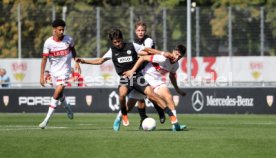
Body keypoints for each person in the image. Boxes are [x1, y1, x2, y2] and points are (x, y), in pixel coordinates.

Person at [77, 28, 183, 131]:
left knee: (151, 94)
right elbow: (100, 61)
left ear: (122, 39)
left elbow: (147, 50)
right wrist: (83, 61)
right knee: (122, 94)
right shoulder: (112, 51)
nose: (117, 44)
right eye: (115, 42)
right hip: (125, 77)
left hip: (136, 76)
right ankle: (123, 115)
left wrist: (162, 53)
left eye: (119, 41)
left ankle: (171, 115)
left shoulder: (132, 46)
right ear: (112, 42)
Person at [123, 44, 187, 131]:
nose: (176, 58)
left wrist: (177, 89)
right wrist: (132, 71)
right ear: (173, 51)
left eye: (179, 57)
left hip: (157, 81)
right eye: (176, 54)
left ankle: (175, 124)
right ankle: (118, 120)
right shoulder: (162, 58)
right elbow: (143, 58)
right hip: (144, 80)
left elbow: (172, 76)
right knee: (128, 107)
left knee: (168, 96)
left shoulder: (176, 65)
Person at [39, 19, 81, 129]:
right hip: (54, 72)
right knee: (59, 94)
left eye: (63, 29)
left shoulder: (69, 39)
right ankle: (67, 107)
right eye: (59, 29)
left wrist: (76, 61)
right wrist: (42, 76)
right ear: (54, 30)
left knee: (57, 92)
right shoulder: (48, 43)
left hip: (65, 72)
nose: (62, 31)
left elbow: (73, 50)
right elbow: (44, 60)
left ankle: (46, 120)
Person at [127, 21, 165, 127]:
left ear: (145, 31)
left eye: (142, 30)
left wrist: (137, 52)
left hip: (149, 68)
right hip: (140, 69)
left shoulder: (148, 40)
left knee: (150, 94)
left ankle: (161, 111)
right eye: (138, 30)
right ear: (135, 31)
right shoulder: (135, 42)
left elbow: (147, 52)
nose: (140, 32)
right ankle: (143, 119)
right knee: (140, 97)